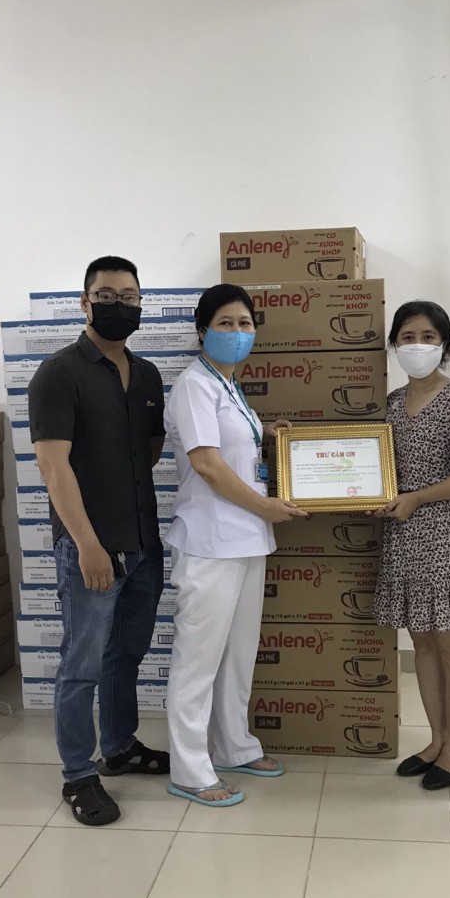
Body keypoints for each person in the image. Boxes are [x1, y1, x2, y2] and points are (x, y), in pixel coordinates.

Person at [29, 255, 170, 827]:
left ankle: (119, 747)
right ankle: (77, 774)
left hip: (143, 543)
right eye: (107, 296)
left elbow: (151, 450)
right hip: (91, 547)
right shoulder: (59, 373)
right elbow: (52, 467)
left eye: (129, 296)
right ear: (85, 303)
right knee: (81, 664)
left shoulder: (149, 375)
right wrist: (87, 544)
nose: (119, 305)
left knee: (125, 654)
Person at [163, 283, 308, 807]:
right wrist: (266, 506)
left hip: (245, 538)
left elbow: (231, 448)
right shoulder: (194, 385)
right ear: (202, 331)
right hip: (210, 540)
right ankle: (190, 769)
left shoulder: (228, 385)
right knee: (198, 660)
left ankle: (233, 746)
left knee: (238, 654)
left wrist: (267, 436)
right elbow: (206, 463)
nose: (238, 332)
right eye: (226, 323)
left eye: (245, 324)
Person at [373, 301, 450, 790]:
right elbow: (382, 470)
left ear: (444, 344)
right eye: (407, 336)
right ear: (394, 344)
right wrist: (375, 497)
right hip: (403, 537)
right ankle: (436, 740)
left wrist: (417, 498)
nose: (417, 345)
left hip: (447, 536)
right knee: (422, 643)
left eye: (428, 336)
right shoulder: (391, 403)